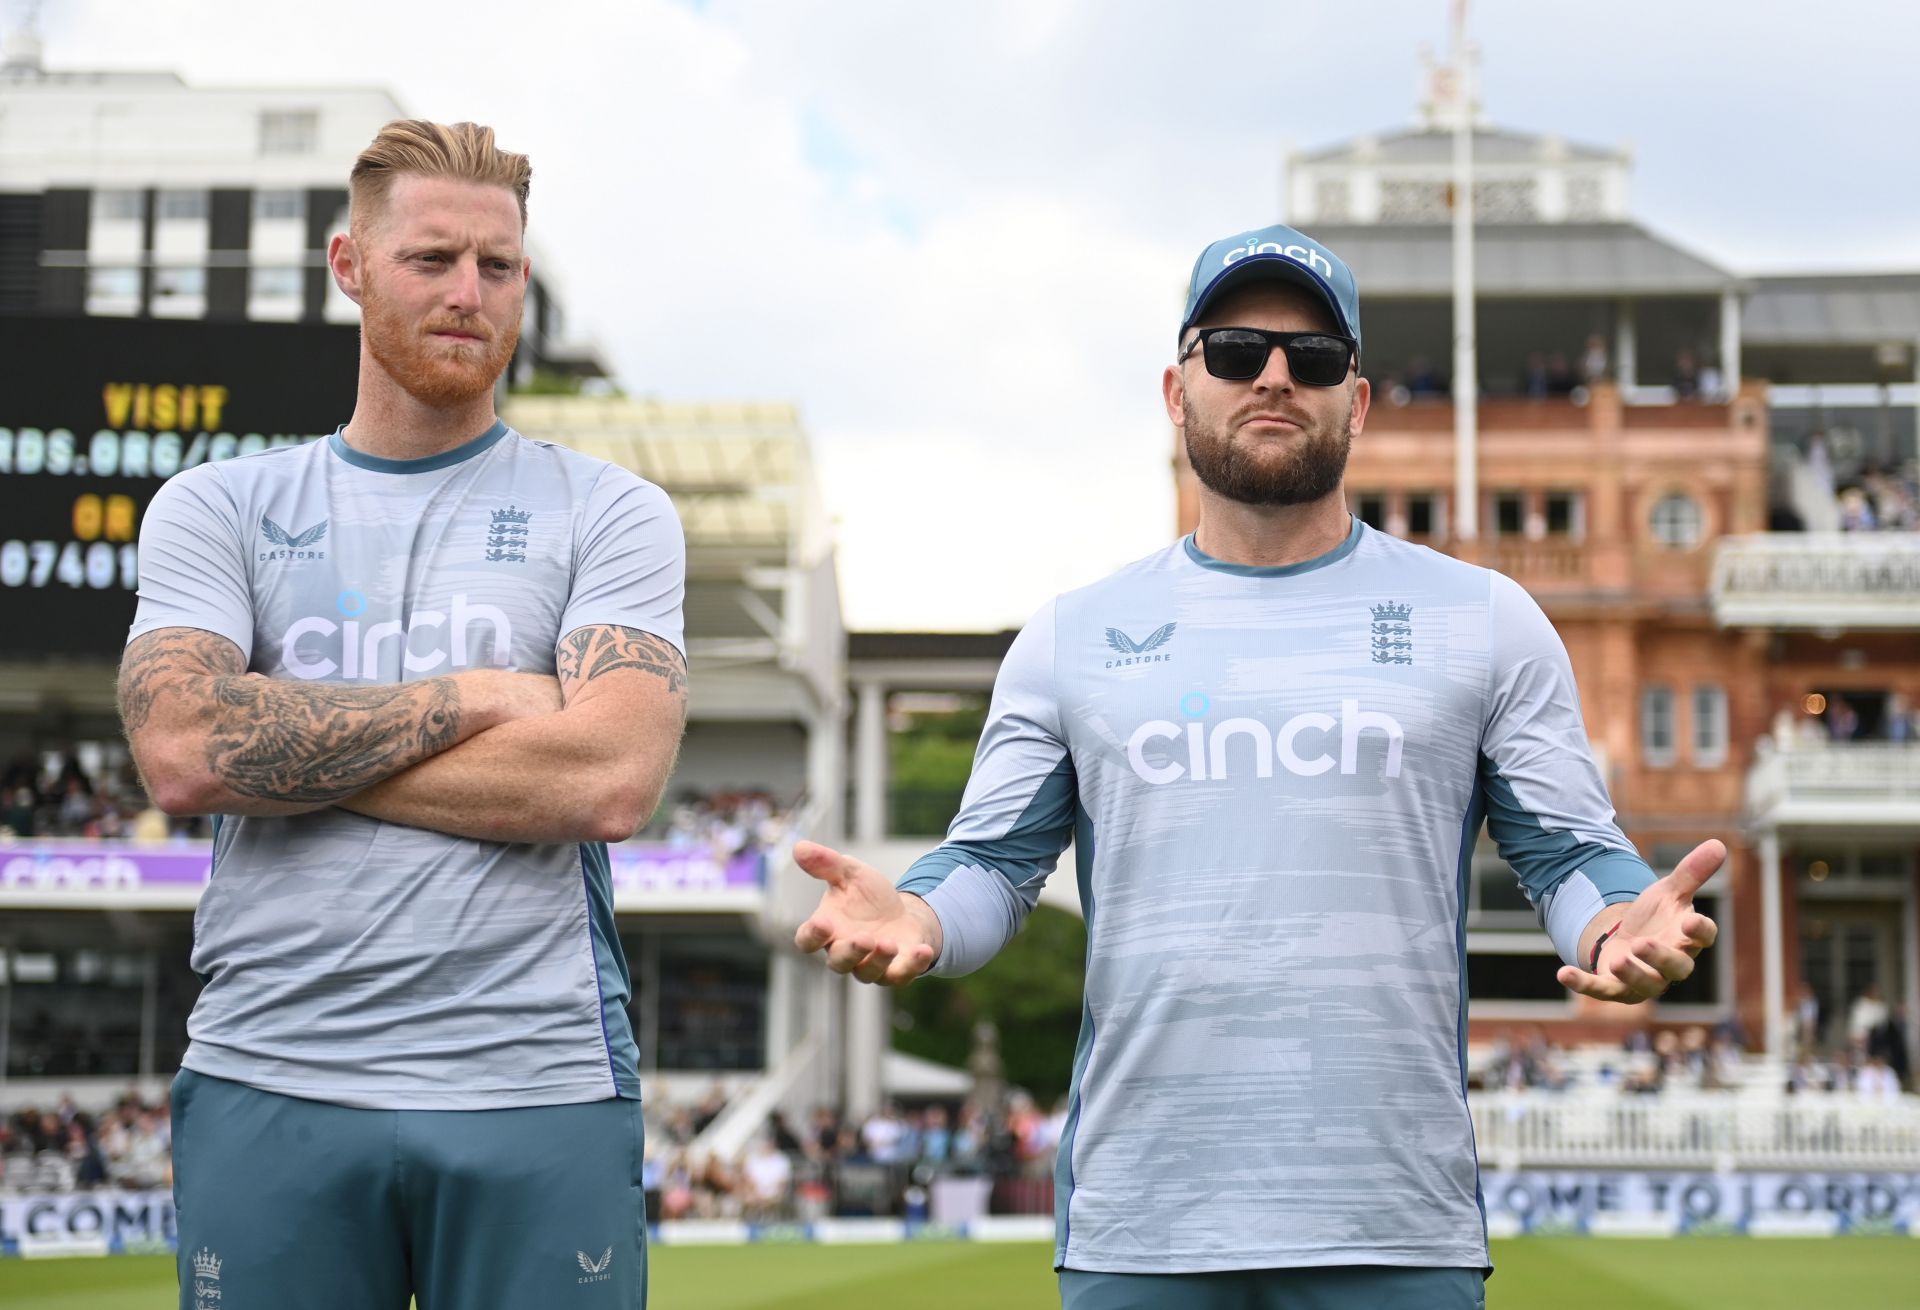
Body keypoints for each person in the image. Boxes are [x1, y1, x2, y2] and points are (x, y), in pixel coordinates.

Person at [790, 221, 1721, 1309]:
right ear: (1177, 391)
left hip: (1392, 1223)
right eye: (1234, 350)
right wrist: (921, 917)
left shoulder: (1483, 619)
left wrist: (1617, 923)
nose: (1274, 375)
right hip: (1144, 1226)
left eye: (1314, 357)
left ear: (1358, 402)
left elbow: (1567, 853)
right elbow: (993, 863)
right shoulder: (1073, 634)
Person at [118, 120, 687, 1309]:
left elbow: (607, 782)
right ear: (350, 266)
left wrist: (278, 744)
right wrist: (480, 697)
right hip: (269, 1074)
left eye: (498, 264)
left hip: (537, 1082)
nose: (468, 292)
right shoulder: (216, 505)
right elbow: (178, 751)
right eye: (431, 259)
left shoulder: (613, 512)